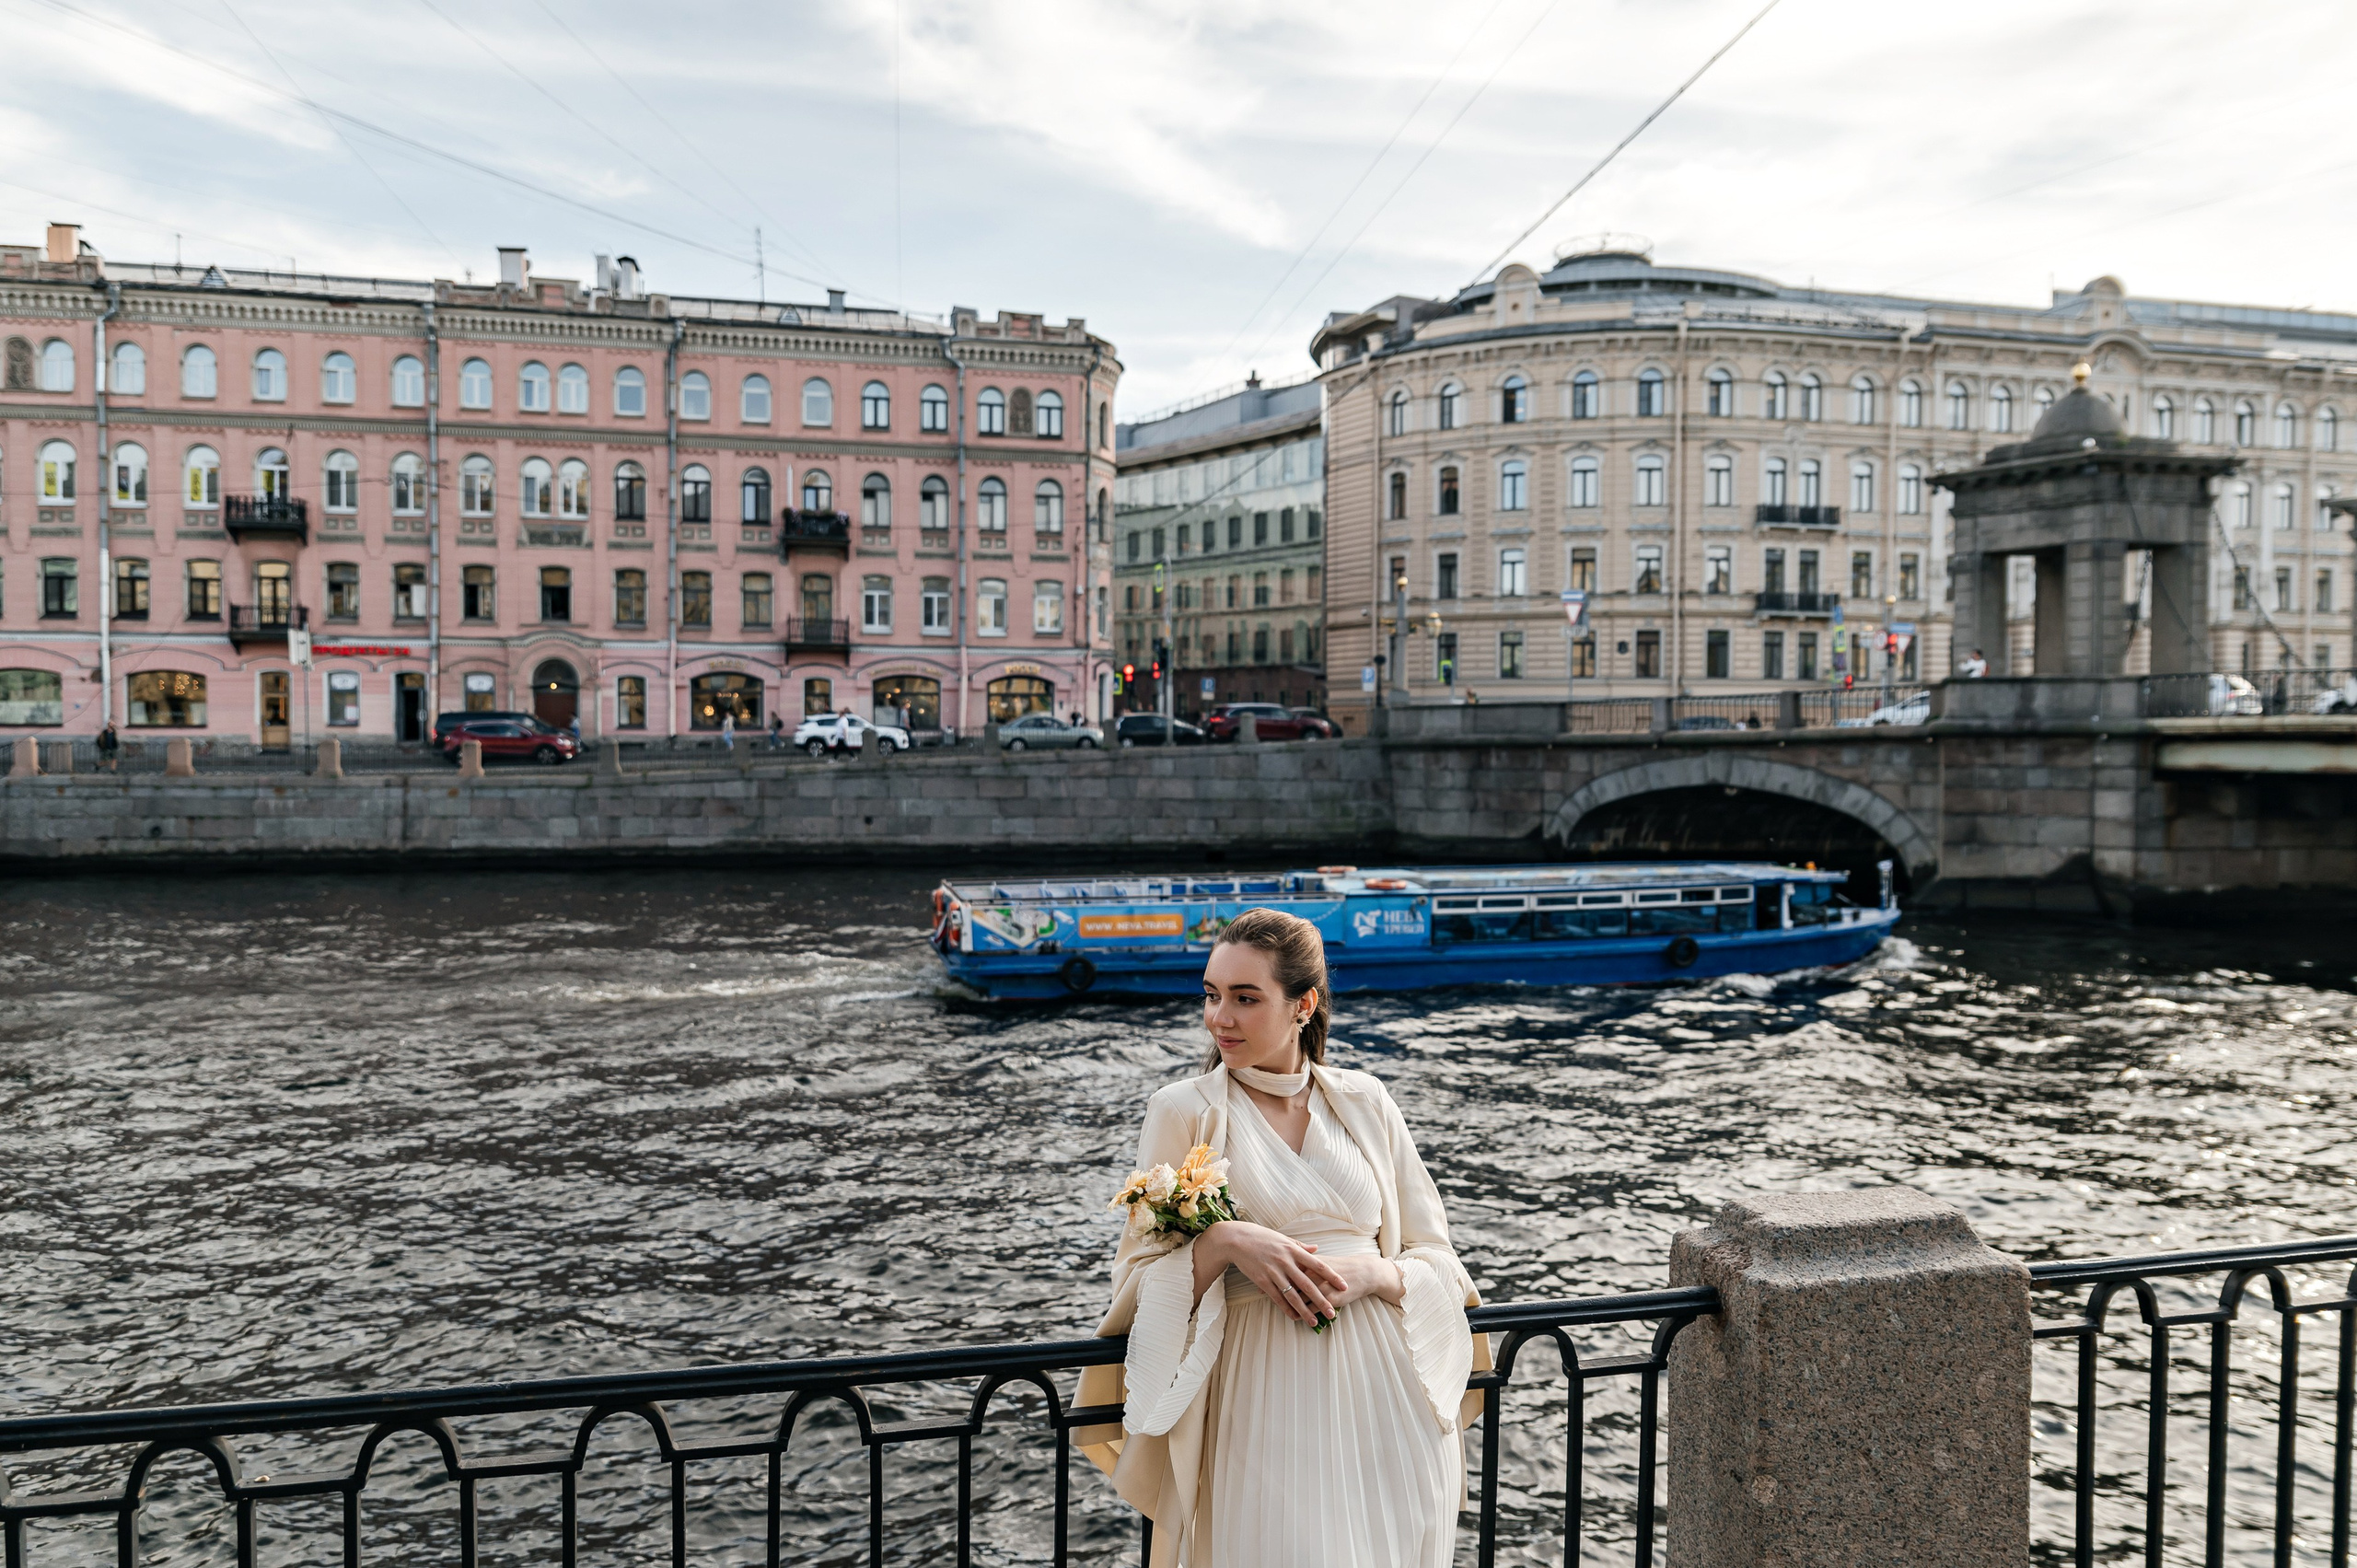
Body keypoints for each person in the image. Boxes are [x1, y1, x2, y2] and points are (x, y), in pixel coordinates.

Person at [1081, 909, 1483, 1568]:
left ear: (1304, 1005)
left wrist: (1374, 1274)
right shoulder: (1181, 1110)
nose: (1219, 1018)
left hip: (1392, 1405)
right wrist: (1226, 1243)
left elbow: (1438, 1258)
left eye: (1245, 998)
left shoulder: (1367, 1102)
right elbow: (1134, 1282)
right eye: (1212, 994)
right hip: (1259, 1401)